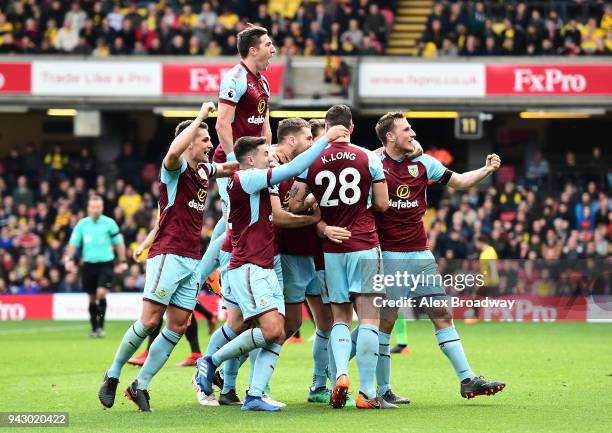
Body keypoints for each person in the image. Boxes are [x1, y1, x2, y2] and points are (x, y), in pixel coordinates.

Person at [193, 125, 349, 412]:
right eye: (265, 153)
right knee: (263, 327)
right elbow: (292, 171)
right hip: (249, 266)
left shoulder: (253, 179)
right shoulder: (248, 178)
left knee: (279, 331)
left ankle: (254, 394)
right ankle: (210, 362)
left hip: (265, 265)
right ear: (251, 159)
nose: (271, 155)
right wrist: (325, 141)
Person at [97, 102, 238, 412]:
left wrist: (251, 162)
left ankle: (141, 385)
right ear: (189, 141)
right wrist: (201, 116)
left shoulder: (202, 170)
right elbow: (173, 153)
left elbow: (226, 168)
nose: (209, 145)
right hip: (167, 254)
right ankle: (113, 374)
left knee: (178, 325)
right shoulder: (175, 168)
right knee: (149, 321)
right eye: (204, 140)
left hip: (191, 259)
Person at [370, 112, 505, 400]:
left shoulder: (424, 162)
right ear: (390, 137)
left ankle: (467, 379)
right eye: (406, 129)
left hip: (421, 255)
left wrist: (485, 171)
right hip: (390, 255)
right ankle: (381, 390)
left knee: (442, 314)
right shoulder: (373, 164)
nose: (413, 133)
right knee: (386, 322)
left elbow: (458, 181)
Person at [289, 105, 391, 410]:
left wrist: (315, 206)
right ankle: (368, 393)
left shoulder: (312, 160)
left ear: (328, 128)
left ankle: (340, 376)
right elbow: (383, 204)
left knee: (340, 319)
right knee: (370, 318)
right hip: (363, 243)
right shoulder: (368, 157)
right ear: (351, 128)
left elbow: (294, 205)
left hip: (332, 249)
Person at [271, 118, 349, 404]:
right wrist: (317, 220)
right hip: (290, 254)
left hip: (319, 256)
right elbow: (288, 211)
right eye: (313, 141)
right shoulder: (286, 170)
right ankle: (232, 376)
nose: (318, 148)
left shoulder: (319, 170)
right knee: (282, 326)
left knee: (327, 322)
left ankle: (318, 386)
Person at [127, 222, 218, 368]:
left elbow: (159, 226)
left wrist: (143, 246)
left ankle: (148, 353)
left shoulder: (174, 203)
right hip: (180, 255)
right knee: (180, 307)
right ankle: (196, 351)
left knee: (163, 305)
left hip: (174, 256)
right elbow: (159, 226)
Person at [63, 195, 128, 338]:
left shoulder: (109, 223)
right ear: (88, 208)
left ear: (102, 207)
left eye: (98, 207)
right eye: (93, 207)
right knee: (92, 298)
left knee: (101, 293)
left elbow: (119, 243)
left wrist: (122, 261)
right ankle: (94, 328)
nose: (96, 210)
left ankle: (100, 327)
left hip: (106, 263)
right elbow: (73, 244)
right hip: (88, 265)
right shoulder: (82, 225)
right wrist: (68, 259)